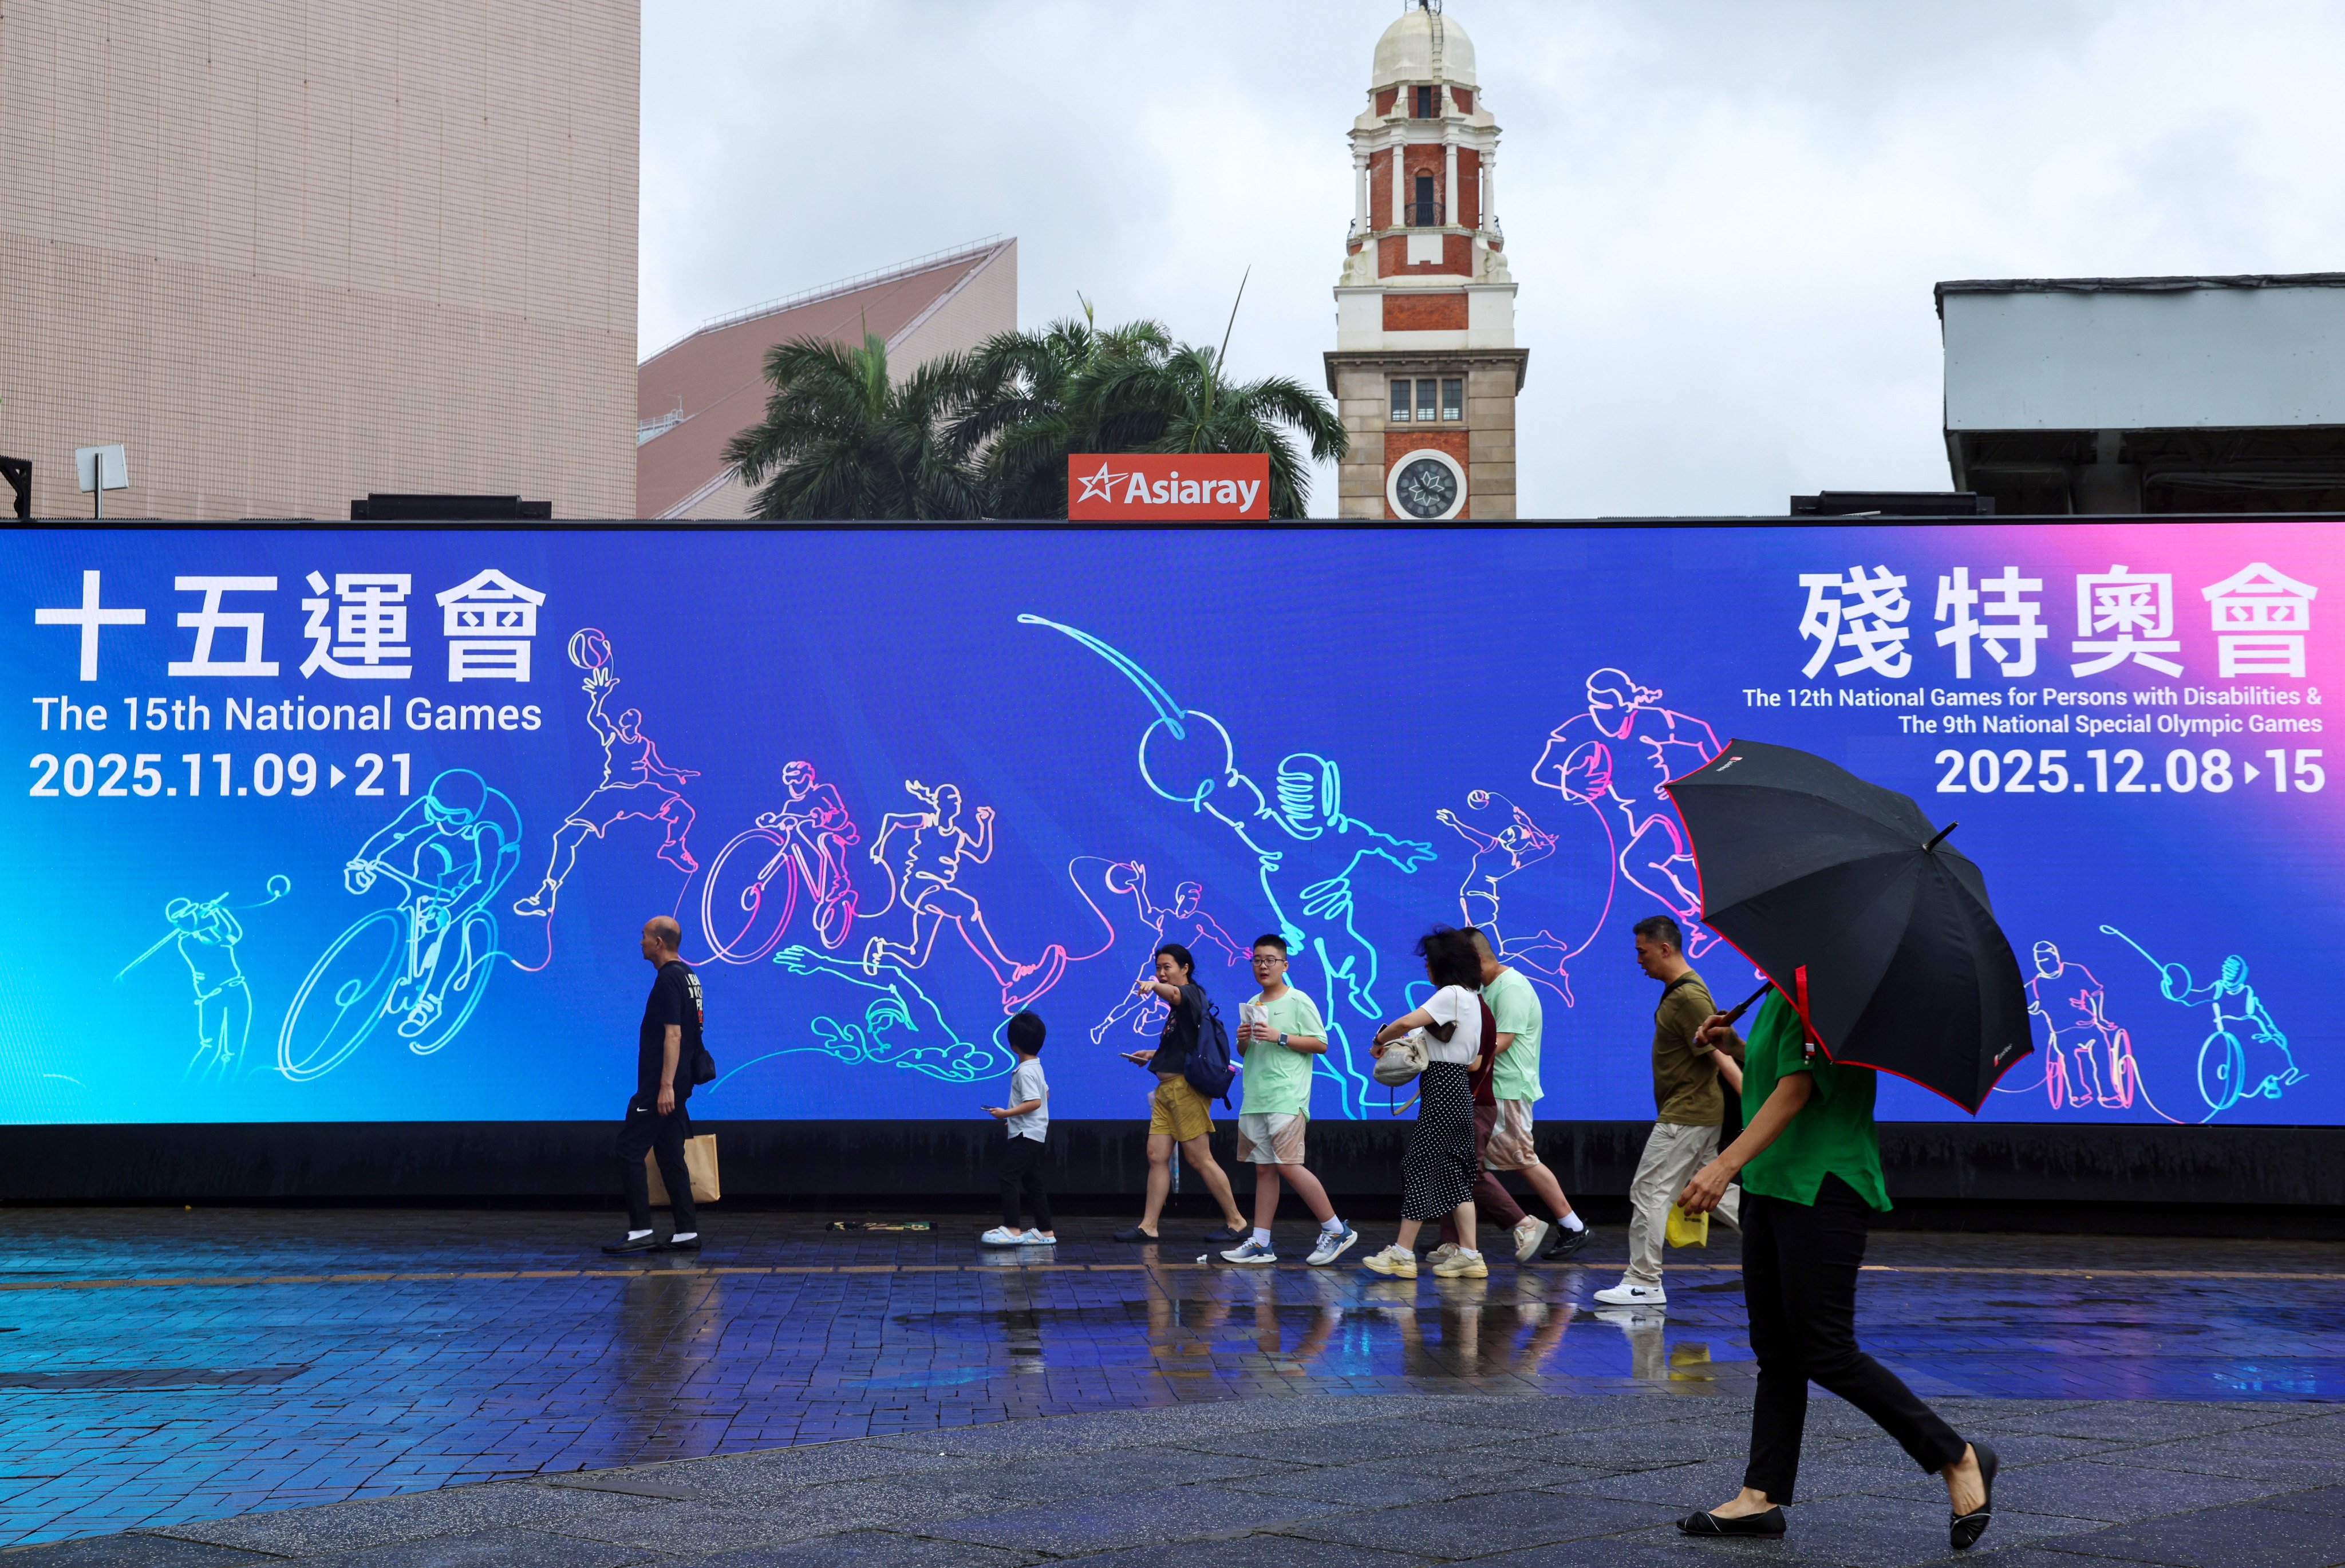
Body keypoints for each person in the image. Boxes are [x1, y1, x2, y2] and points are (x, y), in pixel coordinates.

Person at [1674, 986, 1996, 1550]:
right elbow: (1781, 1073)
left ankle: (1956, 1456)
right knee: (1776, 1352)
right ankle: (1760, 1496)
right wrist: (1737, 1045)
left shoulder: (1819, 991)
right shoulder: (1782, 988)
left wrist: (1721, 1167)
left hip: (1821, 1185)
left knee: (1825, 1349)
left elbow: (1797, 1091)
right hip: (1773, 1183)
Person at [1596, 915, 1738, 1307]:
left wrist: (1754, 1096)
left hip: (1687, 1114)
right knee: (1710, 1189)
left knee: (1648, 1189)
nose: (1638, 959)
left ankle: (1644, 1280)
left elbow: (1718, 1053)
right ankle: (1785, 1243)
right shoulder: (1681, 992)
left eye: (1642, 951)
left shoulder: (1690, 997)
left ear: (1664, 948)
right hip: (1694, 1111)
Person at [1435, 928, 1590, 1266]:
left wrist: (1457, 1055)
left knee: (1519, 1158)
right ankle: (1453, 1241)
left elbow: (1500, 1040)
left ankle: (1571, 1225)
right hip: (1490, 1087)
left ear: (1476, 960)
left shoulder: (1512, 988)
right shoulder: (1490, 987)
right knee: (1460, 1161)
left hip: (1507, 1088)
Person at [1221, 934, 1359, 1267]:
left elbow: (1321, 1043)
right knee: (1265, 1170)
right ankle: (1262, 1243)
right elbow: (1247, 1052)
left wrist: (1279, 1036)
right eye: (1257, 960)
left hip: (1287, 1096)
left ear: (1285, 964)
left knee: (1287, 1165)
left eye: (1270, 960)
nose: (1263, 966)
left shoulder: (1298, 1000)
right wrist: (1243, 1040)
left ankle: (1336, 1229)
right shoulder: (1254, 1002)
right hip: (1256, 1097)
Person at [1360, 928, 1489, 1280]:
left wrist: (1379, 1039)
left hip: (1443, 1091)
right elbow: (1474, 1061)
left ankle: (1402, 1254)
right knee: (1453, 1174)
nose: (1427, 969)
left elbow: (1404, 1022)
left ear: (1441, 965)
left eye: (1429, 963)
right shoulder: (1473, 999)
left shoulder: (1450, 995)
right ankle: (1471, 1254)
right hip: (1456, 1087)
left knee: (1420, 1166)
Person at [1115, 942, 1249, 1244]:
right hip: (1166, 1091)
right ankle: (1149, 1226)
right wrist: (1152, 1054)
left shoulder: (1190, 994)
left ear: (1184, 968)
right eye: (1158, 969)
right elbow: (1181, 1048)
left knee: (1200, 1158)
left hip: (1186, 1091)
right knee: (1156, 1155)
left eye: (1167, 968)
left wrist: (1153, 985)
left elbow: (1174, 993)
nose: (1161, 974)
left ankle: (1237, 1221)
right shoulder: (1177, 1012)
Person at [606, 917, 705, 1255]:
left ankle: (640, 1230)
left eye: (644, 936)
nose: (641, 942)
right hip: (679, 1084)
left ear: (659, 942)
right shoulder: (689, 976)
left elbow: (674, 1034)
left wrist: (664, 1087)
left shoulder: (667, 981)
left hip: (661, 1086)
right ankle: (686, 1233)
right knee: (669, 1155)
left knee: (629, 1150)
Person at [981, 1012, 1055, 1246]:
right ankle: (1046, 1231)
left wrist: (1006, 1113)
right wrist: (1015, 1119)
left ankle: (1012, 1228)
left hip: (1027, 1136)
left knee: (1008, 1177)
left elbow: (1035, 1102)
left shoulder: (1025, 1071)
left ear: (1013, 1044)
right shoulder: (1036, 1067)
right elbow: (1046, 1095)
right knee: (1033, 1182)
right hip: (1031, 1131)